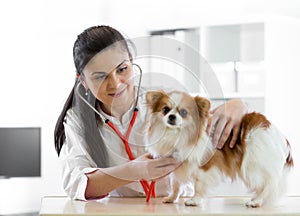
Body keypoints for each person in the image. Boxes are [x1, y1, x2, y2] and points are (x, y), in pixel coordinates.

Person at [54, 25, 248, 200]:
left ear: (131, 61)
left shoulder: (164, 101)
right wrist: (131, 172)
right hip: (122, 211)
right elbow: (76, 184)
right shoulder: (77, 121)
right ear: (83, 81)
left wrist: (238, 106)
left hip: (179, 206)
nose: (115, 83)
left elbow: (208, 120)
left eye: (122, 69)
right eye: (100, 76)